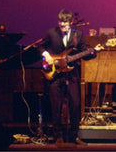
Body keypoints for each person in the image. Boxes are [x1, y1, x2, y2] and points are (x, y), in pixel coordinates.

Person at [39, 9, 96, 145]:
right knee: (56, 105)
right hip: (55, 74)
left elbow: (83, 52)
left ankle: (73, 136)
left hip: (71, 74)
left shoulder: (78, 35)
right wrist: (45, 54)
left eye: (65, 24)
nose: (63, 26)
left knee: (75, 104)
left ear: (70, 23)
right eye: (60, 23)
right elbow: (40, 46)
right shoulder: (51, 33)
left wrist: (93, 53)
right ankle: (58, 136)